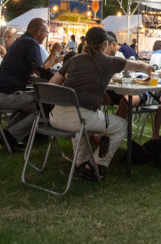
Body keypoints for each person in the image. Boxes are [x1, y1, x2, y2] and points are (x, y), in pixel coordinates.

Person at [48, 26, 153, 181]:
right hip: (79, 119)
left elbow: (50, 85)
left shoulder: (73, 60)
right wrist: (148, 67)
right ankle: (96, 164)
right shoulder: (109, 62)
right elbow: (137, 65)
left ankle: (81, 162)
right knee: (121, 126)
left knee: (85, 121)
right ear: (105, 44)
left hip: (55, 116)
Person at [0, 18, 63, 151]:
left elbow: (38, 68)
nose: (46, 35)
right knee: (44, 106)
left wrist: (54, 60)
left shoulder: (22, 41)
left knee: (35, 104)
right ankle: (10, 137)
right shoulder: (31, 43)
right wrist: (54, 52)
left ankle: (7, 134)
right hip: (3, 95)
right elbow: (40, 71)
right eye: (46, 32)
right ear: (39, 31)